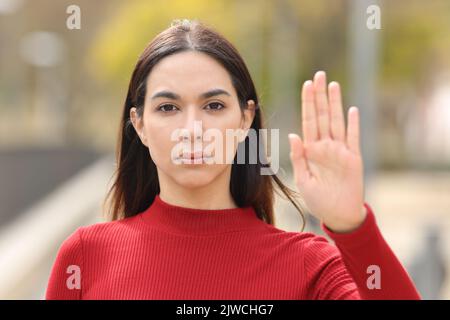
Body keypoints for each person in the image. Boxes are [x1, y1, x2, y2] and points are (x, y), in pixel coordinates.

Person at [45, 18, 421, 300]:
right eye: (168, 107)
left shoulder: (308, 265)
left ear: (244, 119)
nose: (193, 128)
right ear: (139, 125)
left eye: (213, 105)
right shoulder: (86, 257)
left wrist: (351, 226)